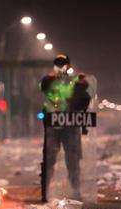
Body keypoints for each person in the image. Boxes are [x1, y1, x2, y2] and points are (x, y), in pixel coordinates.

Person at [39, 53, 91, 200]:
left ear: (69, 65)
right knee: (49, 158)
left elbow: (84, 98)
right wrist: (50, 78)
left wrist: (82, 84)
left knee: (73, 159)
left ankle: (76, 191)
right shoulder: (49, 80)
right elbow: (42, 86)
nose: (60, 66)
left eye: (63, 63)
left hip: (70, 125)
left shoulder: (75, 81)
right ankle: (45, 192)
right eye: (58, 63)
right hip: (53, 126)